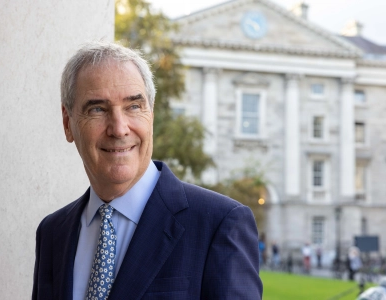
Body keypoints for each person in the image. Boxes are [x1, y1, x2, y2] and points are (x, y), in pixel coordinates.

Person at [31, 42, 263, 300]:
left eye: (133, 106)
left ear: (150, 115)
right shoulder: (53, 233)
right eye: (97, 109)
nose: (119, 129)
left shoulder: (219, 224)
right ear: (67, 123)